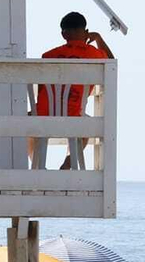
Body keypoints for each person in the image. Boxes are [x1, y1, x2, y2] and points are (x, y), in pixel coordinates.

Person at [32, 11, 115, 169]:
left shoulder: (48, 56)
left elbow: (42, 88)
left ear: (63, 34)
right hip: (74, 114)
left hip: (44, 113)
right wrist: (97, 38)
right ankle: (67, 164)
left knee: (26, 123)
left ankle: (37, 165)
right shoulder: (94, 55)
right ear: (85, 32)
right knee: (86, 128)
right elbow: (112, 63)